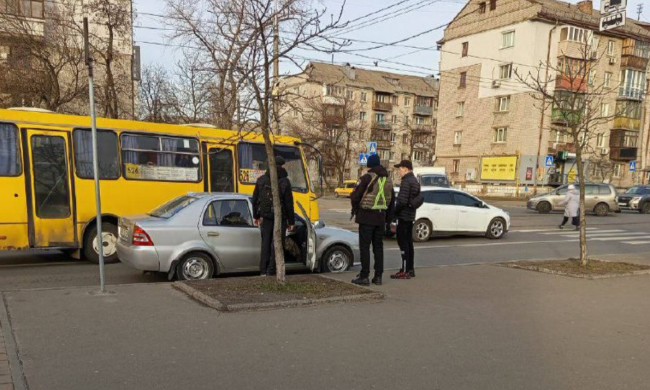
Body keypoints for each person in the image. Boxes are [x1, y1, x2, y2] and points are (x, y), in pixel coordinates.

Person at [350, 154, 395, 286]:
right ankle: (378, 276)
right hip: (380, 218)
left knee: (365, 247)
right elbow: (392, 202)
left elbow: (355, 197)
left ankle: (364, 276)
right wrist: (388, 220)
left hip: (366, 216)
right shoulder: (388, 180)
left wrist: (356, 209)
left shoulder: (367, 177)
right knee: (378, 247)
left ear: (369, 165)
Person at [252, 156, 295, 276]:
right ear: (281, 166)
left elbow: (254, 200)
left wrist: (256, 216)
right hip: (280, 218)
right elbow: (288, 203)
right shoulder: (285, 181)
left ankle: (263, 270)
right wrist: (291, 222)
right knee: (276, 244)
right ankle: (272, 270)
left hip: (265, 217)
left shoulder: (261, 180)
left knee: (265, 243)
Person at [391, 160, 420, 279]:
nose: (399, 171)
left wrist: (394, 213)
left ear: (406, 169)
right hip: (410, 216)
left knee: (403, 243)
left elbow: (402, 201)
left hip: (403, 216)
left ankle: (404, 270)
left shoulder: (406, 182)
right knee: (409, 243)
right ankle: (410, 268)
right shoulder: (415, 181)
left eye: (400, 168)